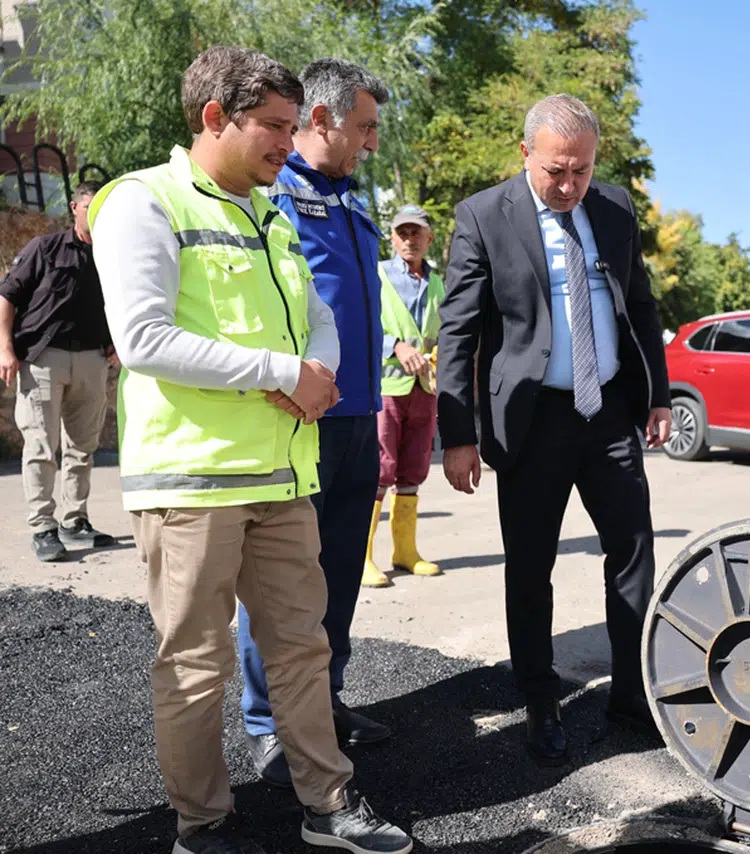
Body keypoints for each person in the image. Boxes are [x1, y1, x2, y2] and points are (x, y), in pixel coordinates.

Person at [88, 45, 411, 854]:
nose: (285, 141)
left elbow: (323, 317)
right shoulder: (145, 202)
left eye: (292, 124)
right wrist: (282, 372)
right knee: (196, 668)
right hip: (192, 481)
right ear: (212, 118)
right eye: (271, 125)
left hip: (282, 473)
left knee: (303, 648)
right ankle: (204, 826)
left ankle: (327, 806)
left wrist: (319, 373)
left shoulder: (270, 213)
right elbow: (144, 337)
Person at [436, 94, 672, 767]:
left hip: (610, 416)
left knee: (633, 555)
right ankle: (540, 698)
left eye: (582, 171)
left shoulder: (616, 209)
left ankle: (631, 694)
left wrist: (655, 395)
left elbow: (642, 303)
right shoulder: (484, 216)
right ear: (526, 156)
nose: (569, 187)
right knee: (531, 566)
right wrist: (459, 434)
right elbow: (457, 331)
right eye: (555, 172)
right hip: (532, 421)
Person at [234, 57, 393, 788]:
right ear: (320, 119)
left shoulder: (358, 204)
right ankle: (268, 723)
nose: (371, 142)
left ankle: (322, 701)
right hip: (300, 418)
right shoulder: (276, 194)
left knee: (337, 574)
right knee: (282, 583)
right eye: (363, 127)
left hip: (361, 416)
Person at [0, 181, 118, 562]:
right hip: (43, 359)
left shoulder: (113, 256)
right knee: (40, 446)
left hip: (91, 360)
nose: (96, 215)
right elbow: (7, 296)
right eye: (89, 207)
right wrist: (5, 349)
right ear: (74, 208)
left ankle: (75, 520)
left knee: (82, 448)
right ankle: (43, 526)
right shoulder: (45, 249)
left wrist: (118, 344)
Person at [362, 204, 447, 587]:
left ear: (430, 238)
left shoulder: (438, 282)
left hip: (424, 388)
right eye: (403, 233)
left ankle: (405, 552)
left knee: (414, 468)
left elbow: (446, 331)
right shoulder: (376, 274)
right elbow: (360, 323)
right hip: (386, 388)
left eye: (417, 233)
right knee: (380, 469)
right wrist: (395, 346)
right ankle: (361, 557)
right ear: (393, 238)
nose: (410, 239)